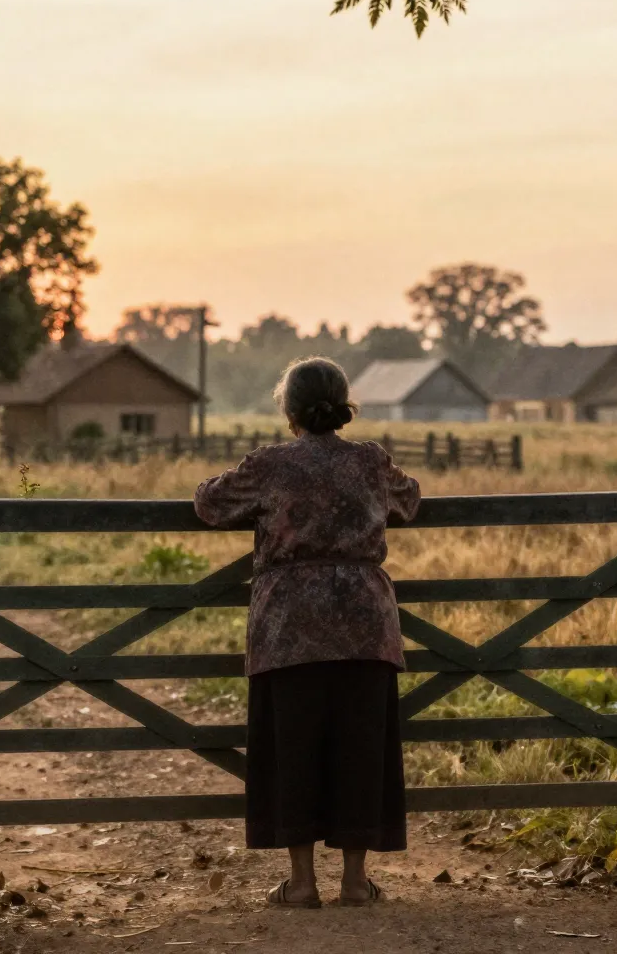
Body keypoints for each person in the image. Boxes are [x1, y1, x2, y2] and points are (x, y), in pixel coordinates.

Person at [193, 357, 421, 909]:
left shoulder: (271, 465)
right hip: (365, 623)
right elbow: (410, 499)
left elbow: (209, 504)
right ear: (344, 405)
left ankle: (300, 883)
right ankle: (353, 882)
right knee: (361, 748)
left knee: (291, 748)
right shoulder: (370, 461)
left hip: (289, 625)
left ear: (290, 410)